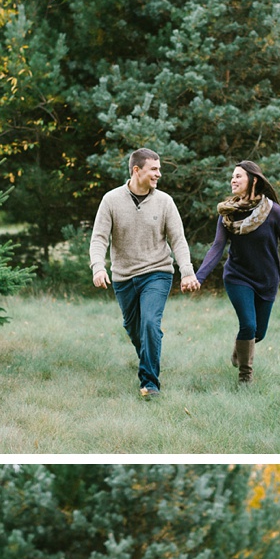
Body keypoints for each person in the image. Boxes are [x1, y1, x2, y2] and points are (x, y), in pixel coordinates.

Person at [89, 147, 200, 399]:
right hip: (123, 276)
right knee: (134, 328)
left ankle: (150, 384)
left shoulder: (165, 202)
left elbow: (178, 240)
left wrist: (187, 271)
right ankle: (149, 357)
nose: (159, 174)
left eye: (159, 169)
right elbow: (99, 239)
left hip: (157, 272)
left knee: (150, 323)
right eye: (154, 169)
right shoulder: (111, 200)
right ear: (136, 170)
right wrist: (98, 266)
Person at [193, 160, 280, 385]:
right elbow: (217, 247)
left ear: (253, 180)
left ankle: (239, 349)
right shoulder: (228, 214)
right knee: (249, 325)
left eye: (238, 176)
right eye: (232, 176)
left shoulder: (273, 212)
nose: (233, 180)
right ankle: (245, 377)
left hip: (267, 279)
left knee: (258, 333)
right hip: (237, 276)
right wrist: (199, 276)